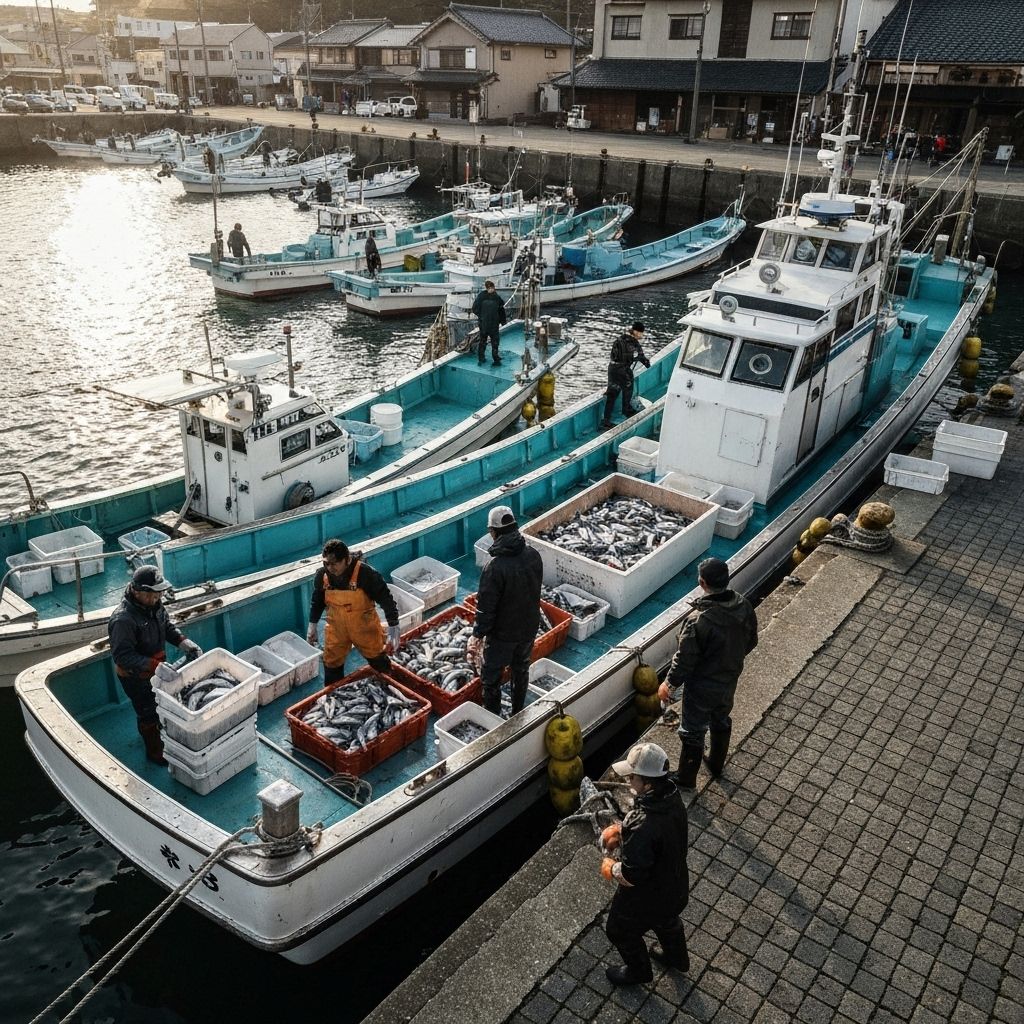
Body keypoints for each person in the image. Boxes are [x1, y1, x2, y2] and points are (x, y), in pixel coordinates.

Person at [659, 557, 758, 788]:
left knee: (692, 730)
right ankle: (715, 763)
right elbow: (752, 640)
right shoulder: (743, 605)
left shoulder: (698, 621)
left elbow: (684, 660)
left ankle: (686, 779)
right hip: (729, 679)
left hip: (702, 687)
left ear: (702, 582)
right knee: (721, 719)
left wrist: (669, 684)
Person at [601, 742, 689, 986]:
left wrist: (611, 867)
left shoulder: (644, 824)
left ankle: (638, 972)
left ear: (648, 784)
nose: (629, 779)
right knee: (667, 921)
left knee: (618, 930)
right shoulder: (671, 798)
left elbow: (632, 874)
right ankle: (677, 958)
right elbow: (656, 836)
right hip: (675, 885)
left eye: (633, 776)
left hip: (649, 896)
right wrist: (622, 830)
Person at [107, 566, 202, 766]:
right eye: (152, 594)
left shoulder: (155, 605)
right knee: (147, 711)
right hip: (135, 676)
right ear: (136, 591)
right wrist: (153, 664)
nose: (157, 598)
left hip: (157, 667)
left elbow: (166, 626)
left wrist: (182, 641)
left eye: (159, 593)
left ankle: (161, 730)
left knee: (161, 703)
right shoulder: (123, 619)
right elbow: (122, 657)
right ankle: (154, 750)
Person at [466, 505, 543, 717]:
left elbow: (486, 609)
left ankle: (493, 718)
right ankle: (518, 711)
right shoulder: (534, 555)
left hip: (502, 636)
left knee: (490, 678)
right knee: (521, 669)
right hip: (528, 628)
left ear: (493, 532)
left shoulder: (494, 567)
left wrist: (478, 634)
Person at [306, 539, 401, 685]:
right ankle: (334, 695)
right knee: (331, 664)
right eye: (326, 563)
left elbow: (386, 599)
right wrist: (312, 625)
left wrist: (394, 627)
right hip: (337, 629)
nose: (329, 567)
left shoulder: (365, 573)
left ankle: (392, 685)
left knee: (379, 661)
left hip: (364, 628)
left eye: (334, 563)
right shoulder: (322, 575)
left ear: (347, 559)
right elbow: (317, 600)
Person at [600, 321, 651, 429]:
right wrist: (646, 363)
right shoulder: (633, 342)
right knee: (628, 387)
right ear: (636, 332)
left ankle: (605, 420)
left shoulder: (620, 338)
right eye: (641, 333)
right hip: (623, 370)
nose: (642, 335)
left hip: (612, 368)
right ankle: (626, 409)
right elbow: (640, 356)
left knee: (612, 394)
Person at [471, 280, 507, 365]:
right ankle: (484, 357)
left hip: (489, 324)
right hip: (487, 324)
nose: (492, 289)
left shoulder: (494, 297)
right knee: (486, 341)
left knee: (491, 341)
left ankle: (492, 357)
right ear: (487, 288)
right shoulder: (487, 297)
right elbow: (474, 309)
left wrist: (502, 321)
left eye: (492, 288)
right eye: (490, 288)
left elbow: (501, 310)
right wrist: (482, 316)